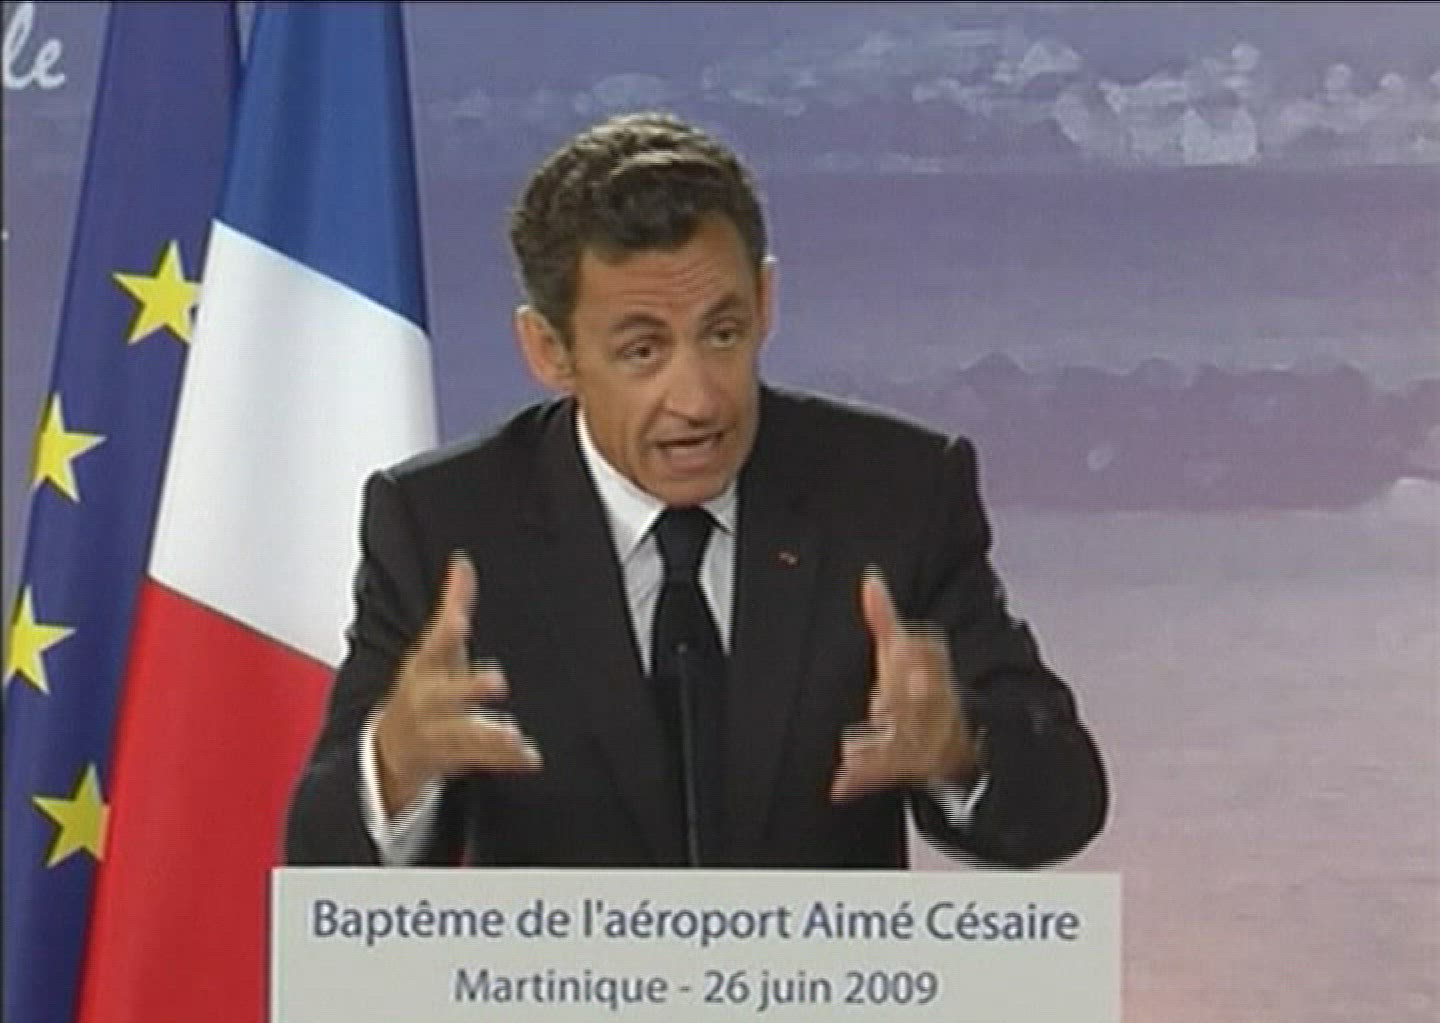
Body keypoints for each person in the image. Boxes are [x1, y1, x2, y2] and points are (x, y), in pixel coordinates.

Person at [284, 113, 1107, 870]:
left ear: (766, 301)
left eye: (722, 333)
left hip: (827, 986)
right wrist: (396, 763)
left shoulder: (893, 493)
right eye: (643, 351)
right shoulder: (444, 524)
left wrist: (959, 748)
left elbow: (1067, 800)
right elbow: (319, 858)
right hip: (554, 986)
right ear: (549, 351)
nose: (700, 398)